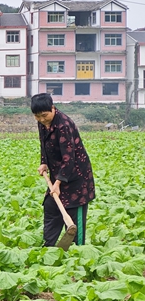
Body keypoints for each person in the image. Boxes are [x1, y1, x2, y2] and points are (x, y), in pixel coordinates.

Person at [32, 92, 95, 247]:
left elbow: (69, 157)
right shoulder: (43, 123)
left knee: (74, 216)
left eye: (44, 115)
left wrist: (58, 183)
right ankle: (49, 247)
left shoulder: (63, 125)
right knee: (51, 206)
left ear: (52, 108)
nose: (41, 119)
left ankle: (77, 252)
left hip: (76, 178)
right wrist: (43, 162)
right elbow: (44, 144)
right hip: (57, 173)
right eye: (37, 116)